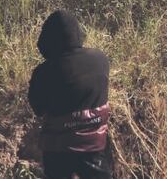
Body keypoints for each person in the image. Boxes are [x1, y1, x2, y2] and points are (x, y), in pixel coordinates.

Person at [27, 10, 112, 179]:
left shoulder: (44, 72)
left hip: (58, 150)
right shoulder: (100, 59)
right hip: (94, 147)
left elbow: (38, 108)